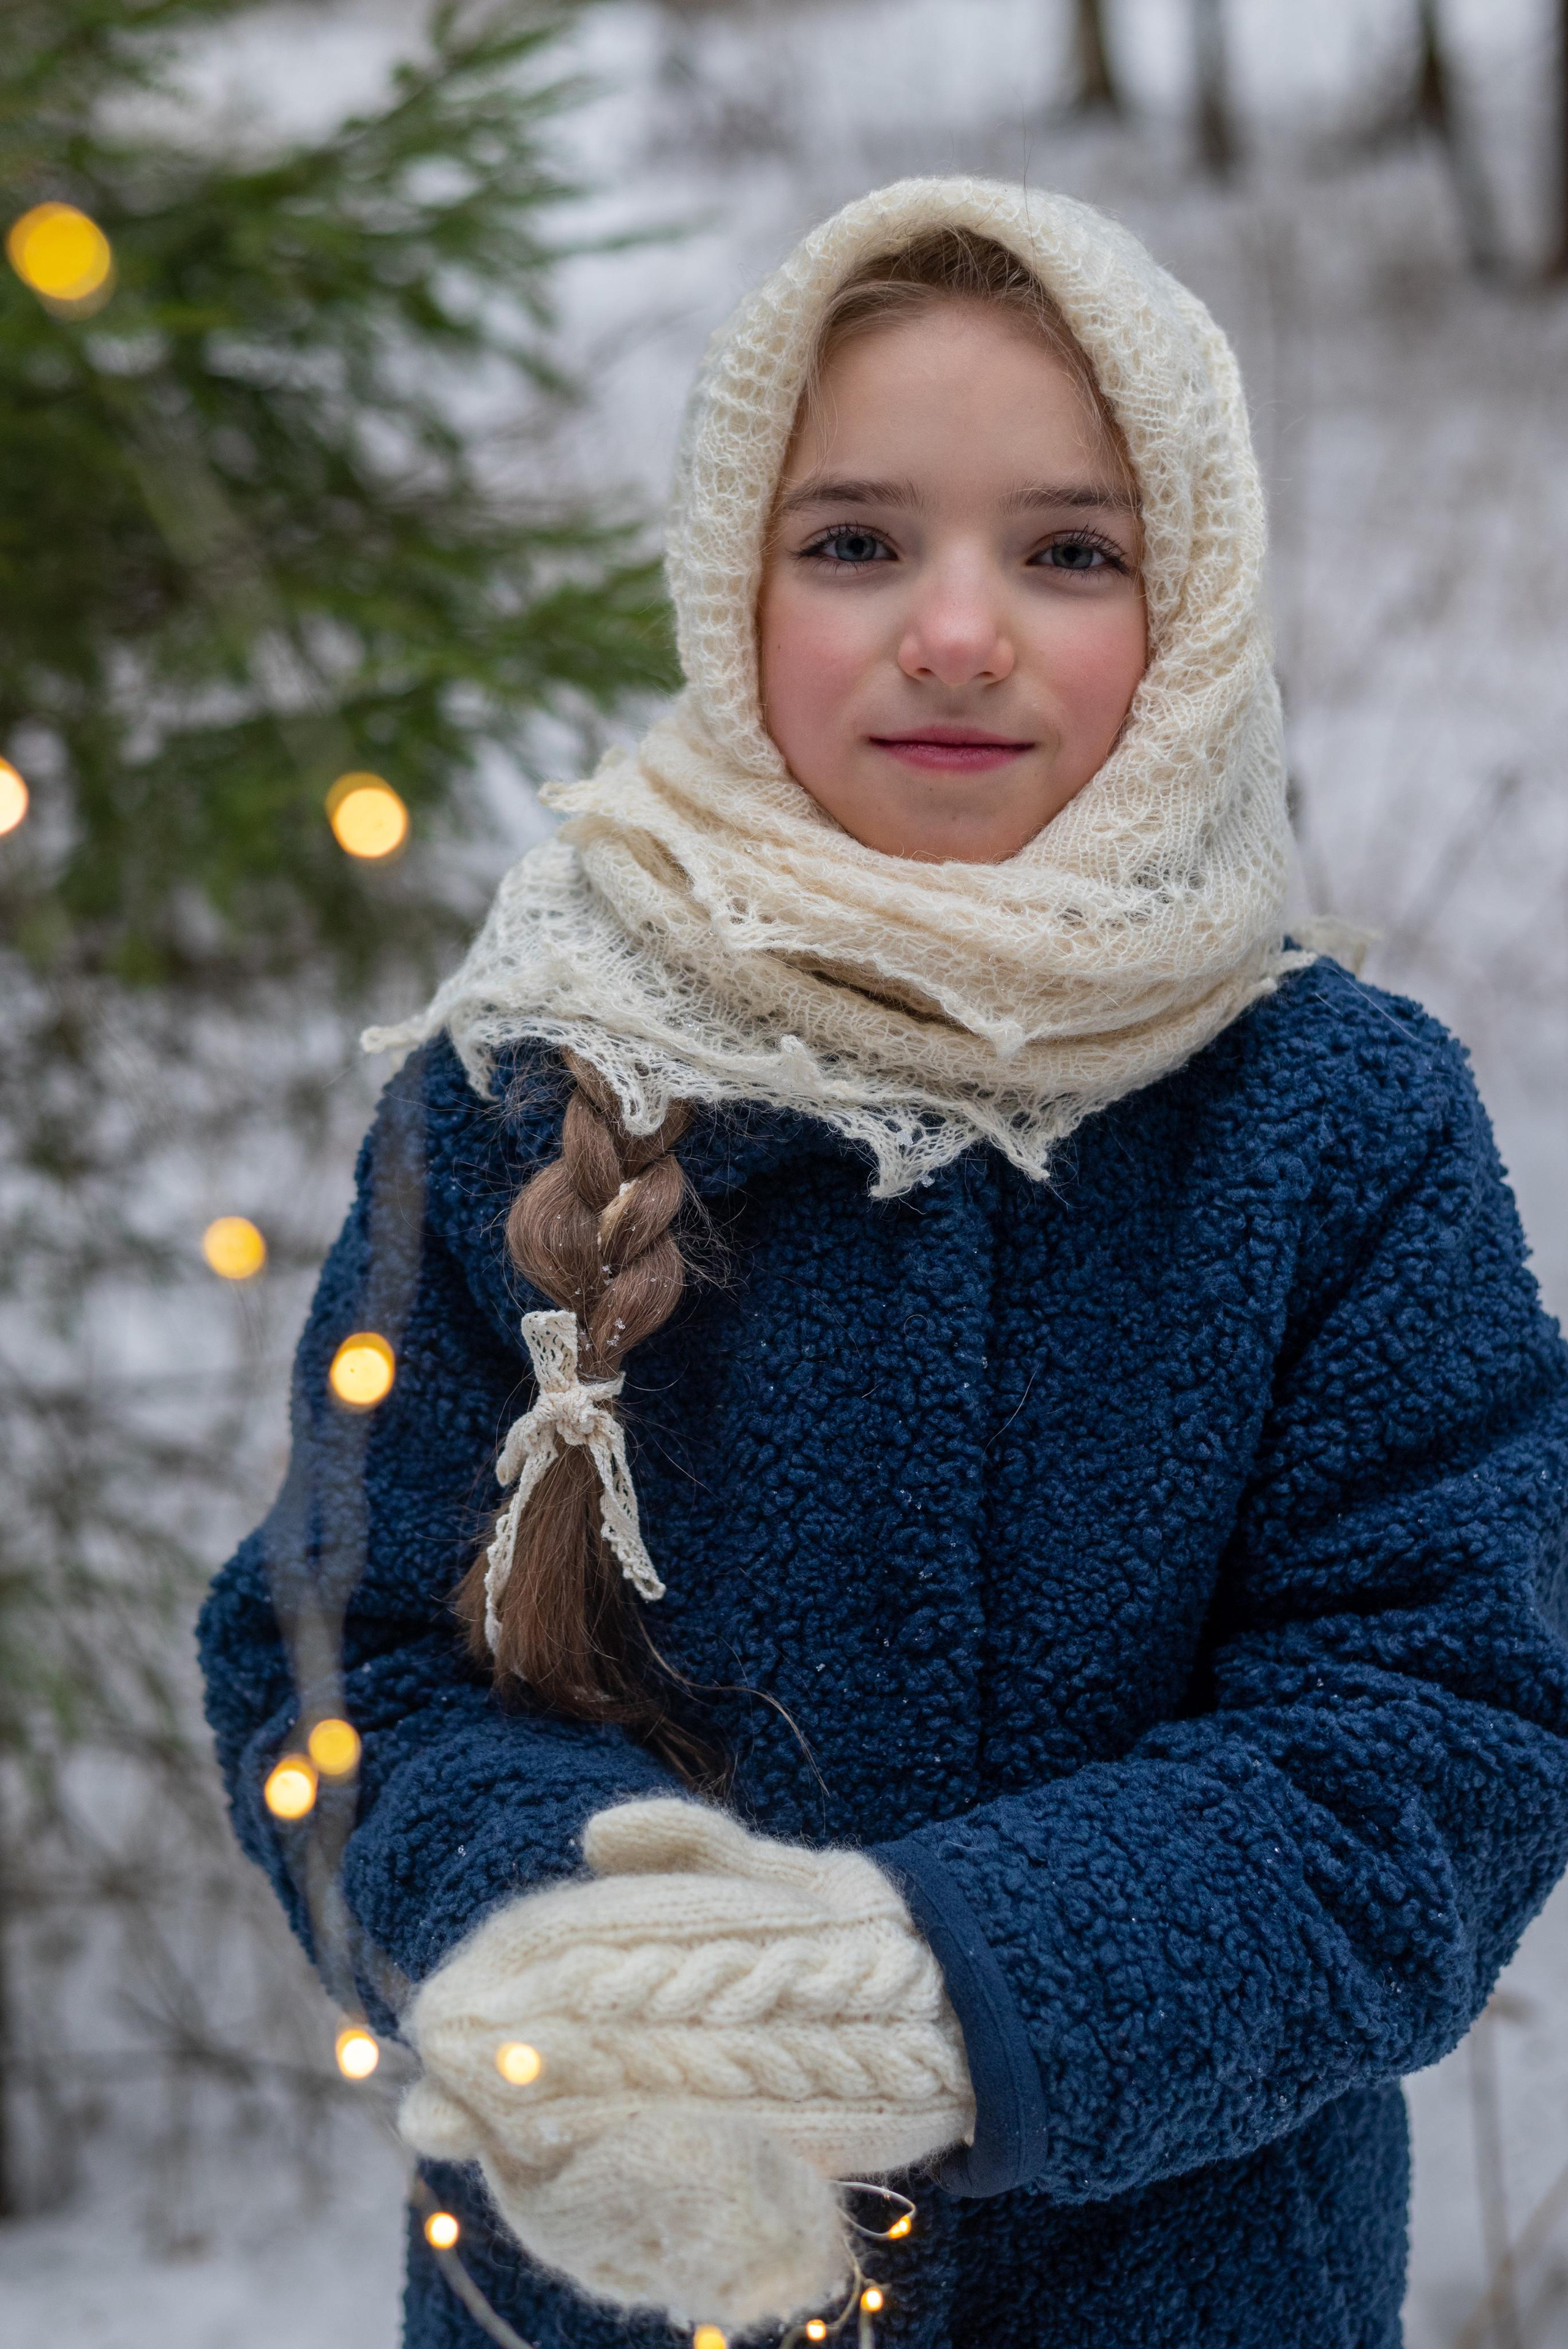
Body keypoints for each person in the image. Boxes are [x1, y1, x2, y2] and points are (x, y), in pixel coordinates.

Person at [199, 179, 1568, 2349]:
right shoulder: (511, 1088)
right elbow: (337, 1651)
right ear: (732, 583)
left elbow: (1437, 1731)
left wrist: (944, 1995)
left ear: (1194, 603)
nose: (956, 628)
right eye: (855, 542)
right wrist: (588, 1970)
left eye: (1067, 548)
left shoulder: (1337, 1128)